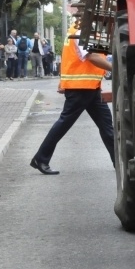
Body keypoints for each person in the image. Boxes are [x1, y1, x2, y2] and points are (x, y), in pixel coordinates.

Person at [30, 21, 115, 175]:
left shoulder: (84, 29)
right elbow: (92, 56)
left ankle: (118, 163)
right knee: (64, 124)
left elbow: (101, 52)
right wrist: (116, 69)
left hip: (90, 87)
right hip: (80, 88)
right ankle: (41, 158)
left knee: (107, 127)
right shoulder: (82, 30)